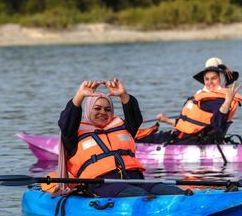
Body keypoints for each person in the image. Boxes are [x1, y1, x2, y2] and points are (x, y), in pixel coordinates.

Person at [55, 78, 184, 197]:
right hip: (101, 184)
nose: (103, 112)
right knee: (140, 195)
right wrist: (79, 96)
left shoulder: (123, 128)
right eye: (97, 108)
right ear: (88, 110)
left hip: (136, 180)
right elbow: (66, 122)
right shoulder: (73, 134)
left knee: (174, 192)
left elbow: (135, 117)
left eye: (107, 109)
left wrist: (123, 95)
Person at [136, 57, 242, 144]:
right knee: (139, 136)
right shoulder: (204, 96)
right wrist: (166, 120)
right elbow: (189, 123)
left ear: (221, 79)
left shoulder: (219, 99)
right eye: (206, 79)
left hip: (190, 140)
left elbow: (216, 125)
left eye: (214, 78)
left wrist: (227, 102)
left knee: (137, 140)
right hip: (180, 135)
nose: (209, 82)